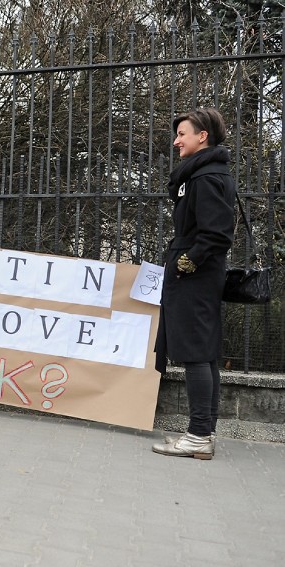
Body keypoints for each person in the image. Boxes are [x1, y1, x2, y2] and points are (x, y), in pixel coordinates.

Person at [152, 108, 236, 460]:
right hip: (197, 273)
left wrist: (187, 263)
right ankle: (203, 431)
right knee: (202, 355)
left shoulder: (205, 178)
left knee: (196, 354)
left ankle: (199, 435)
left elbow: (216, 233)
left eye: (182, 133)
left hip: (195, 276)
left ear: (203, 136)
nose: (176, 140)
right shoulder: (203, 175)